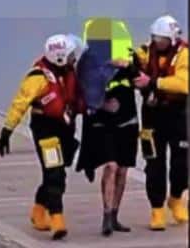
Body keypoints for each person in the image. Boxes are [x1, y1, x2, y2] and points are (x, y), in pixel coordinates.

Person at [0, 35, 83, 240]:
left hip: (65, 129)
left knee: (58, 172)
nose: (74, 58)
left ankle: (38, 209)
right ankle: (57, 220)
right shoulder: (37, 78)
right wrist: (7, 131)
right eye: (71, 55)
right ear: (60, 57)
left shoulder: (69, 73)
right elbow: (20, 103)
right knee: (55, 174)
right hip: (45, 130)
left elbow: (78, 97)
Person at [132, 15, 190, 230]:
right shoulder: (146, 52)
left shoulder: (184, 54)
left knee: (182, 162)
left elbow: (184, 84)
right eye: (155, 38)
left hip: (178, 114)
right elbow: (132, 61)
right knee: (154, 163)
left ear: (172, 39)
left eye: (162, 39)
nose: (158, 42)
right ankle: (157, 209)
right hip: (152, 114)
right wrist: (128, 64)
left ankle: (176, 197)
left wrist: (153, 82)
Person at [75, 45, 139, 236]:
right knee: (111, 166)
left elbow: (142, 80)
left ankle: (115, 215)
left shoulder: (128, 60)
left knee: (122, 170)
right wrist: (102, 104)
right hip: (104, 125)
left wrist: (127, 66)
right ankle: (107, 216)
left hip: (127, 123)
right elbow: (83, 93)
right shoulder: (90, 64)